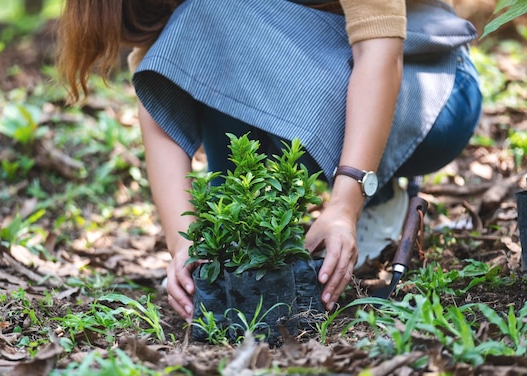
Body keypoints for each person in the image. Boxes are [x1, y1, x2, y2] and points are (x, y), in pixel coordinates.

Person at [57, 0, 482, 322]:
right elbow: (160, 84)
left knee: (208, 17)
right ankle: (236, 252)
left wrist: (344, 203)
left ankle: (372, 191)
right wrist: (186, 242)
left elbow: (380, 53)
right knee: (202, 27)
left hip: (434, 91)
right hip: (325, 79)